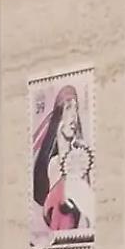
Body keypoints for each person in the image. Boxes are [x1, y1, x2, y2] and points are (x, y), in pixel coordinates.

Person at [32, 83, 94, 234]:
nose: (74, 116)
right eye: (68, 108)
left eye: (76, 109)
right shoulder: (53, 166)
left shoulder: (80, 163)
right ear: (59, 118)